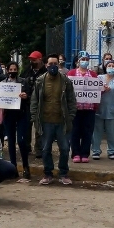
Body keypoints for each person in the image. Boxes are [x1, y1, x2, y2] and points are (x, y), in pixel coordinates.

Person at [30, 54, 77, 185]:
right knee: (45, 149)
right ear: (46, 65)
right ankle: (48, 174)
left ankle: (63, 173)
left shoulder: (65, 81)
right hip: (45, 121)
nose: (53, 66)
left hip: (62, 121)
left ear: (59, 64)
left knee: (65, 148)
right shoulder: (40, 81)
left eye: (55, 64)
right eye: (50, 64)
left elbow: (72, 100)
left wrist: (71, 116)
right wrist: (35, 117)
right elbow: (34, 101)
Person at [0, 62, 31, 179]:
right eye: (11, 69)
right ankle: (13, 167)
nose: (13, 71)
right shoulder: (3, 84)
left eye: (15, 69)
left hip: (21, 114)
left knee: (21, 140)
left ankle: (26, 166)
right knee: (10, 141)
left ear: (18, 70)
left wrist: (26, 96)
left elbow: (30, 96)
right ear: (7, 70)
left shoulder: (23, 82)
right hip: (8, 115)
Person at [68, 51, 98, 163]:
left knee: (88, 132)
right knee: (74, 131)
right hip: (76, 109)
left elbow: (97, 90)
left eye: (86, 59)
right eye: (82, 59)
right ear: (77, 61)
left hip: (89, 108)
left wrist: (102, 89)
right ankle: (75, 153)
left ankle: (85, 153)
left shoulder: (93, 75)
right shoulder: (71, 74)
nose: (84, 61)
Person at [92, 59, 114, 160]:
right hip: (99, 109)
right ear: (105, 67)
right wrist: (102, 89)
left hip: (112, 109)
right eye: (109, 66)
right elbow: (93, 91)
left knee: (112, 132)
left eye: (113, 66)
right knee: (97, 132)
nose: (111, 68)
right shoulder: (99, 78)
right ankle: (96, 151)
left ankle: (112, 151)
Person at [22, 51, 47, 158]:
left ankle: (39, 149)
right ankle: (27, 147)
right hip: (27, 103)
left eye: (34, 59)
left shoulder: (45, 72)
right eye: (31, 59)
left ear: (40, 59)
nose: (32, 61)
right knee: (27, 126)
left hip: (41, 103)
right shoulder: (27, 71)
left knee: (39, 127)